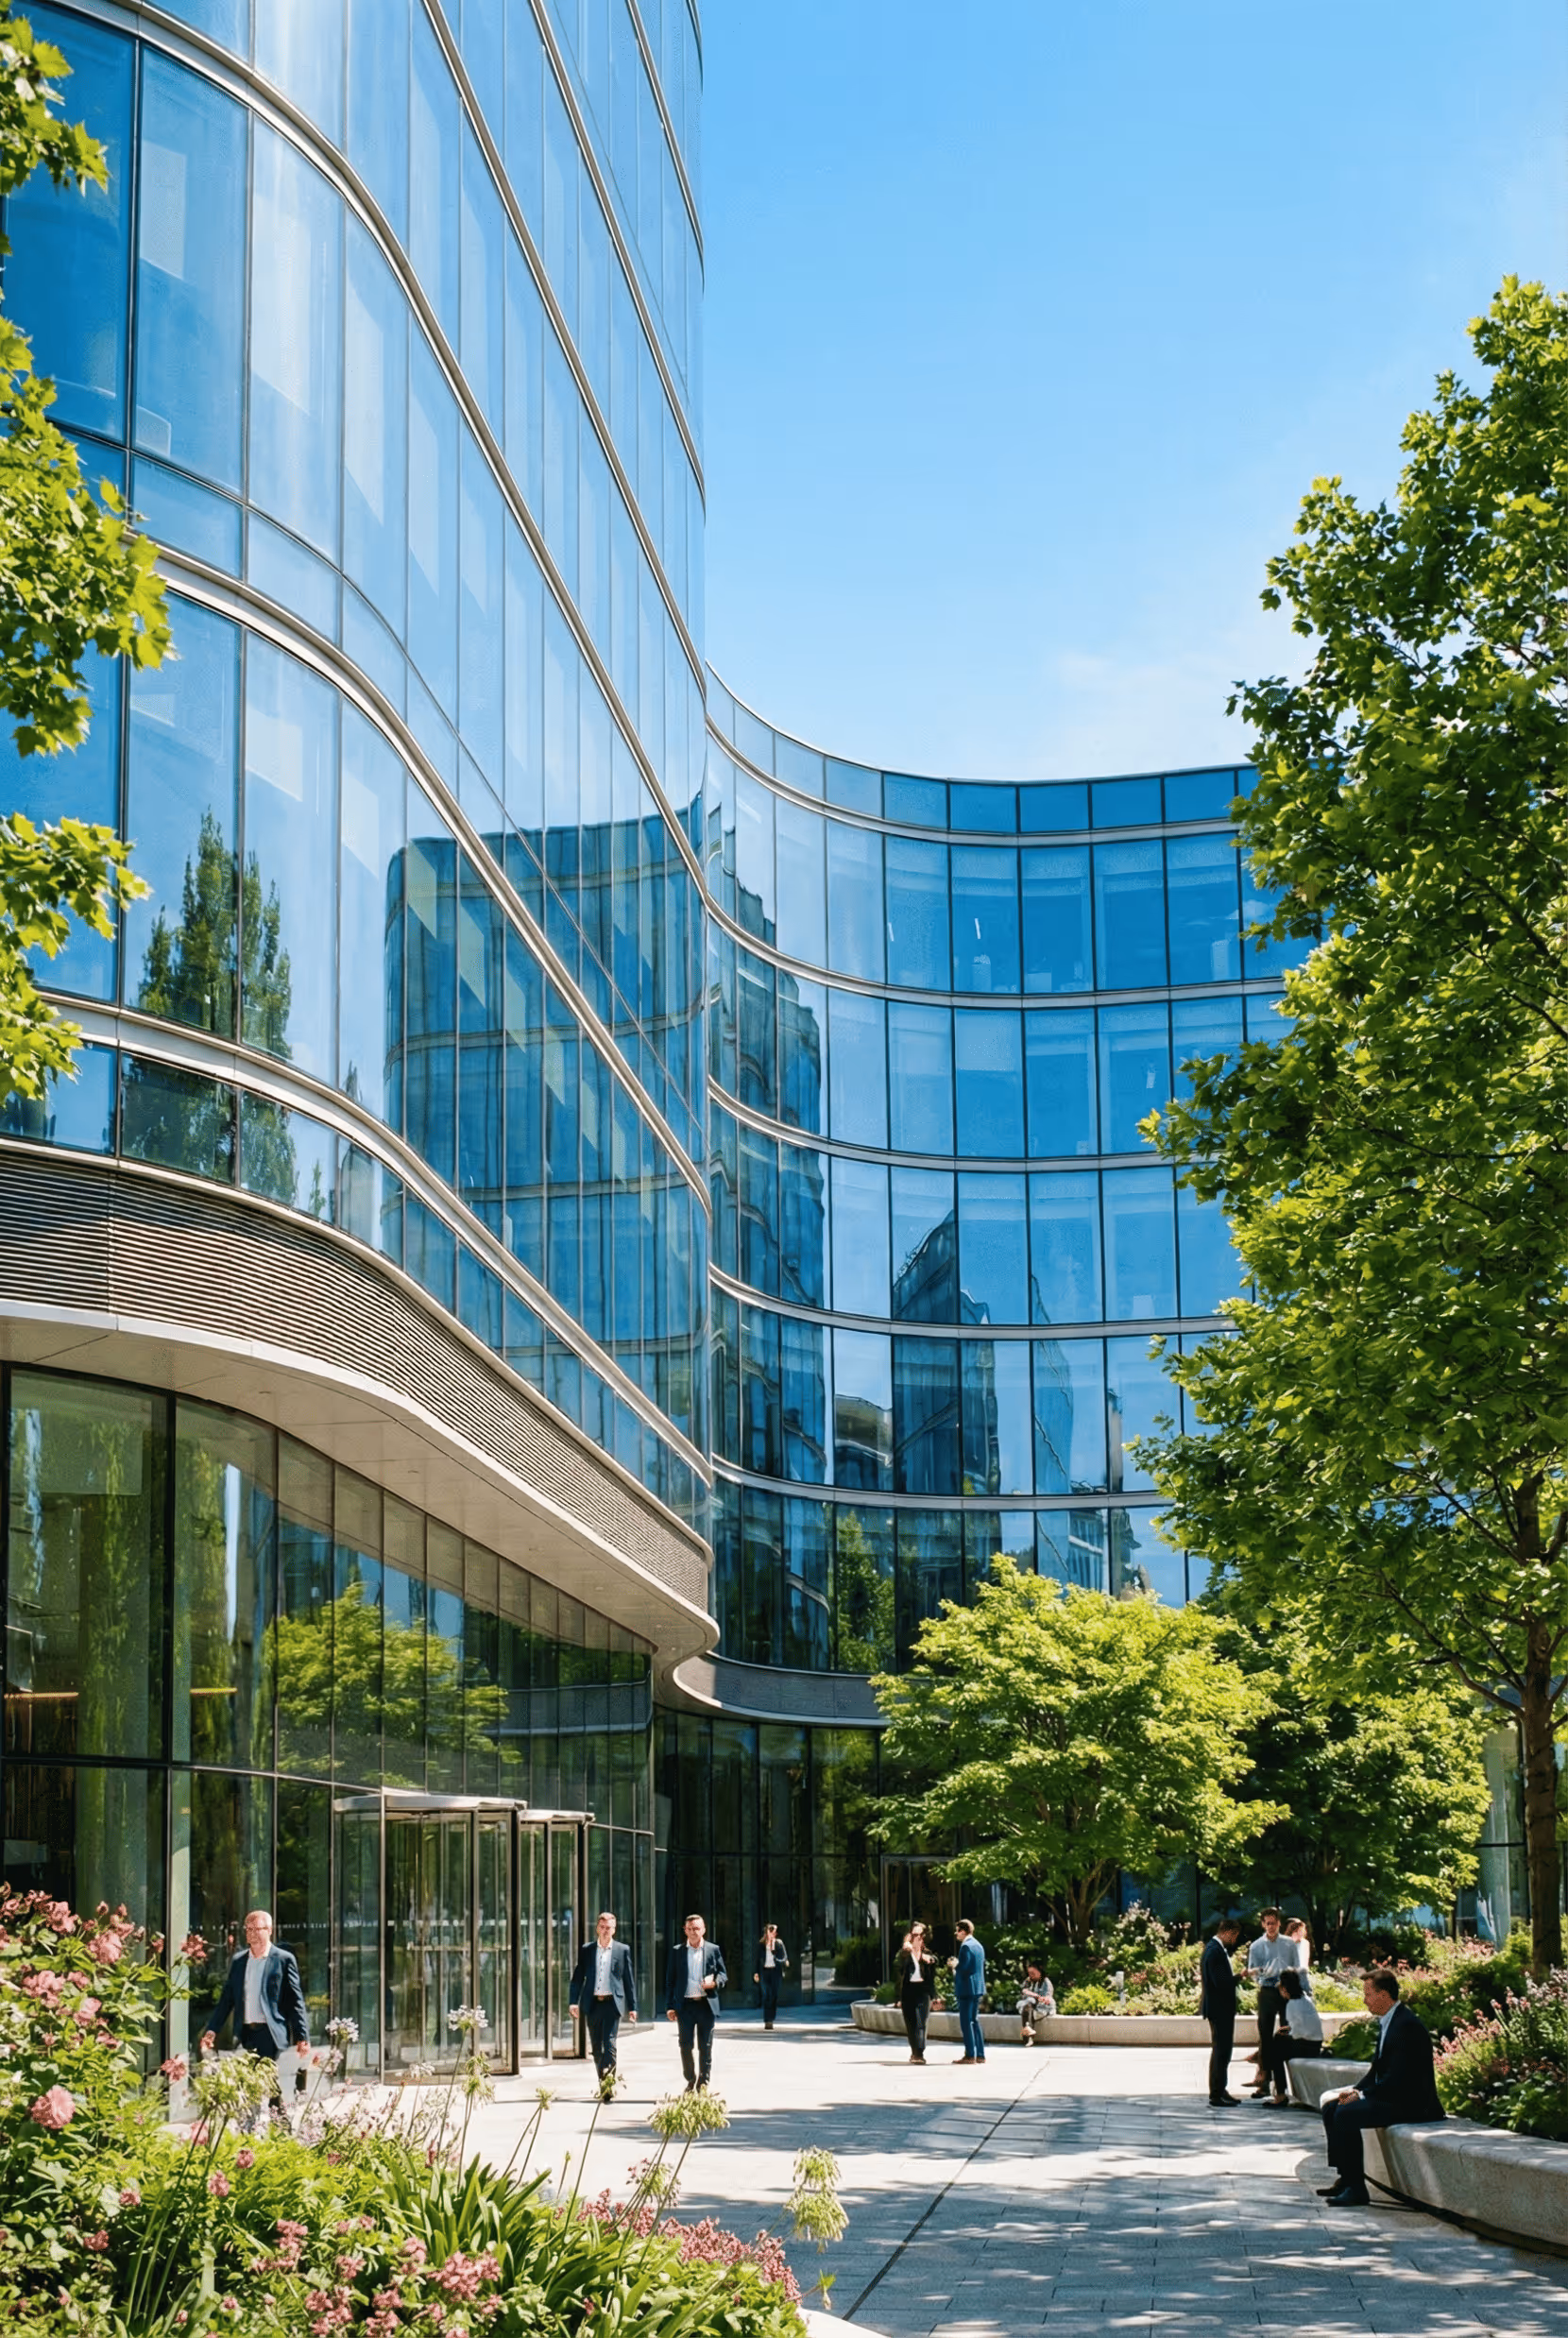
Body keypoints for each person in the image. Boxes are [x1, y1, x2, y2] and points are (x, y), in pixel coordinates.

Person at [1319, 1970, 1443, 2208]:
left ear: (1384, 1995)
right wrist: (1355, 2090)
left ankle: (1357, 2189)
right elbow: (1377, 2070)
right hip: (1393, 2096)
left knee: (1346, 2114)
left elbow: (1398, 2079)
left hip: (1412, 2104)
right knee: (1331, 2107)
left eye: (1368, 1994)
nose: (1364, 2000)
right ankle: (1346, 2178)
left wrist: (1361, 2095)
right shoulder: (1390, 2021)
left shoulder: (1405, 2025)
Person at [199, 1909, 310, 2121]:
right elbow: (227, 2000)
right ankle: (267, 2125)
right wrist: (212, 2030)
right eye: (248, 1929)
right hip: (247, 2032)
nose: (251, 1934)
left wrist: (301, 2036)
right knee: (262, 2081)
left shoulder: (283, 1959)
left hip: (270, 2031)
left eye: (256, 1929)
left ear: (269, 1930)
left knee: (264, 2078)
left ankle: (265, 2125)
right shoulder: (240, 1962)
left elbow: (296, 2001)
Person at [569, 1910, 638, 2087]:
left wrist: (633, 2007)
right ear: (597, 1929)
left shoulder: (622, 1950)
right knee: (597, 2048)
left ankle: (609, 2085)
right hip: (592, 2005)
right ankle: (603, 2079)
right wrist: (573, 2002)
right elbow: (578, 1978)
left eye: (609, 1927)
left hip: (612, 2004)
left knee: (610, 2044)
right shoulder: (588, 1950)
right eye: (602, 1927)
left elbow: (628, 1980)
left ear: (614, 1930)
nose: (606, 1931)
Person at [664, 1912, 727, 2091]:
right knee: (685, 2045)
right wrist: (670, 2006)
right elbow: (670, 1981)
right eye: (690, 1929)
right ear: (685, 1930)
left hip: (706, 2005)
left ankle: (704, 2081)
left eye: (697, 1928)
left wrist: (714, 1983)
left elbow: (723, 1974)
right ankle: (690, 2078)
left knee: (705, 2046)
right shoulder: (677, 1952)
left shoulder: (713, 1950)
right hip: (685, 2006)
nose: (693, 1932)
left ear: (704, 1929)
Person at [1245, 1908, 1295, 2095]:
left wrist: (1303, 1991)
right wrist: (1264, 1973)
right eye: (1267, 1923)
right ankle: (1264, 2081)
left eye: (1273, 1923)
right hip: (1267, 1990)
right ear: (1263, 1924)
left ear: (1279, 1923)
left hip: (1286, 1991)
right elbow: (1253, 1972)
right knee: (1265, 2035)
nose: (1271, 1926)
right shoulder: (1257, 1946)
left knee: (1287, 2033)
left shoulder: (1289, 1944)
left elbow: (1297, 1967)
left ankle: (1287, 2082)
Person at [1262, 1965, 1323, 2104]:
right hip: (1314, 2043)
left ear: (1284, 1989)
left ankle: (1280, 2093)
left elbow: (1296, 2034)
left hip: (1306, 2046)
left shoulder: (1291, 2005)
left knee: (1275, 2048)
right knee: (1278, 2039)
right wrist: (1287, 2030)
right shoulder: (1305, 1999)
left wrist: (1285, 2033)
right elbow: (1301, 2025)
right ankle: (1277, 2088)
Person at [1200, 1916, 1241, 2106]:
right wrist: (1240, 1977)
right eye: (1234, 1936)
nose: (1234, 1940)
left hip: (1219, 2008)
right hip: (1219, 2009)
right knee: (1221, 2051)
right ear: (1226, 1932)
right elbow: (1221, 1982)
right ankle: (1216, 2093)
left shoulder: (1214, 1949)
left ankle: (1220, 2089)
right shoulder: (1214, 1951)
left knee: (1223, 2051)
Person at [895, 1921, 938, 2064]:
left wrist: (935, 1996)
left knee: (921, 2022)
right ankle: (914, 2051)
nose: (917, 1938)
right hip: (908, 1991)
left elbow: (934, 1966)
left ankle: (920, 2053)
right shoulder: (904, 1954)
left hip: (923, 1991)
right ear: (909, 1936)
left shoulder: (927, 1954)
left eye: (920, 1935)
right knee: (911, 2023)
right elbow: (898, 1970)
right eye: (914, 1935)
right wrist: (905, 1950)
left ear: (924, 1937)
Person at [950, 1919, 986, 2064]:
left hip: (966, 1989)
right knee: (974, 2021)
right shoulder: (978, 1945)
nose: (956, 1933)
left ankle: (970, 2055)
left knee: (966, 2022)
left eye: (957, 1930)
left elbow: (964, 1969)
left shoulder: (965, 1947)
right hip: (977, 1988)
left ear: (963, 1931)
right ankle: (981, 2055)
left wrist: (954, 1965)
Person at [753, 1923, 790, 2030]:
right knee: (766, 1996)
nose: (774, 1934)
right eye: (772, 1931)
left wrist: (776, 1958)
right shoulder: (761, 1945)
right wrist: (756, 1973)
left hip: (775, 1972)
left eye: (775, 1932)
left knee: (773, 1996)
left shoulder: (779, 1944)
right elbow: (756, 1960)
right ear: (767, 1932)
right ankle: (767, 2021)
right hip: (764, 1972)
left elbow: (784, 1958)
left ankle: (771, 2018)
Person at [1017, 1962, 1055, 2046]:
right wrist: (1036, 1996)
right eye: (1029, 1973)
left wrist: (1043, 1999)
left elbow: (1048, 1997)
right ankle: (1028, 2034)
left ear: (1040, 1972)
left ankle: (1027, 2037)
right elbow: (1024, 1990)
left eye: (1033, 1973)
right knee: (1027, 2007)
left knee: (1028, 2009)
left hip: (1043, 2008)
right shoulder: (1028, 1980)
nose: (1031, 1975)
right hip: (1031, 2005)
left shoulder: (1046, 1982)